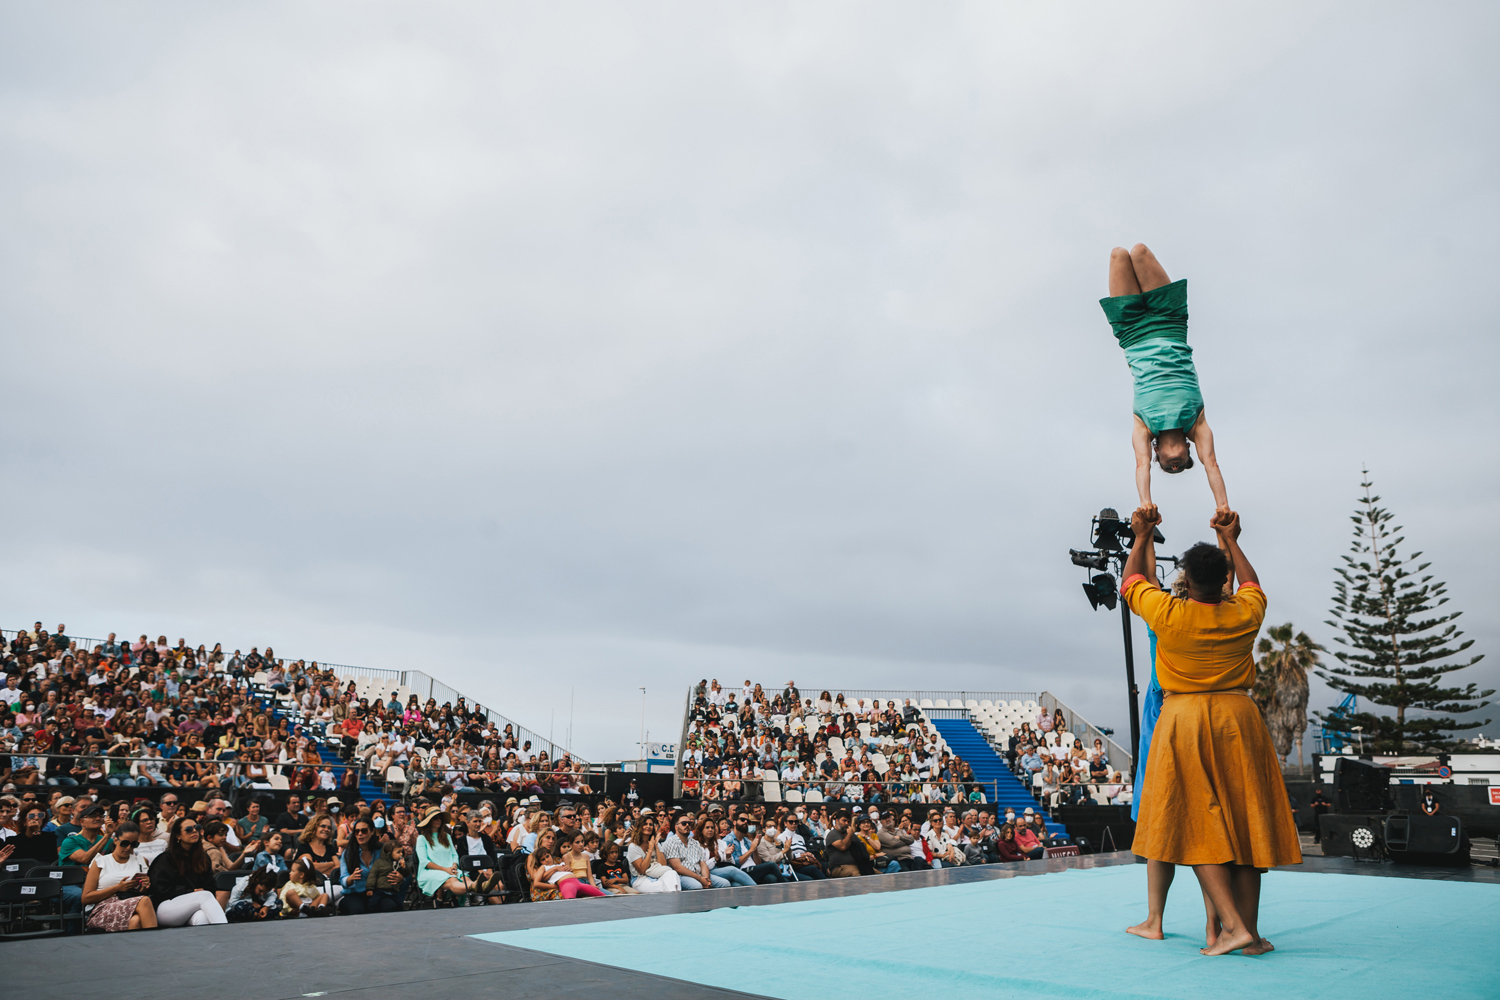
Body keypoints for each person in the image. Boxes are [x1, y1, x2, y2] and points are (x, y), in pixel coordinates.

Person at [1121, 506, 1299, 956]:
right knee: (1246, 829)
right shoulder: (1246, 612)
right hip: (1239, 720)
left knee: (1198, 828)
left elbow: (1129, 584)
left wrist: (1142, 536)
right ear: (1224, 582)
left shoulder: (1167, 613)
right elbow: (1253, 584)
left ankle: (1233, 927)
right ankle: (1250, 936)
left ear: (1186, 579)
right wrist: (1232, 539)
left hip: (1184, 722)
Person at [1100, 244, 1227, 511]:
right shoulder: (1197, 424)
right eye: (1181, 466)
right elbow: (1212, 465)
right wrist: (1222, 507)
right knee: (1140, 252)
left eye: (1169, 469)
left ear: (1156, 453)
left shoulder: (1144, 428)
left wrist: (1146, 503)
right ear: (1190, 450)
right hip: (1170, 322)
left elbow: (1140, 465)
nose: (1175, 466)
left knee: (1118, 255)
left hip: (1131, 331)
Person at [148, 815, 228, 926]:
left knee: (202, 917)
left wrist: (197, 892)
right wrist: (191, 891)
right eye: (189, 830)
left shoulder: (203, 858)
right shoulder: (166, 858)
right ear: (178, 836)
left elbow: (210, 885)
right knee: (205, 895)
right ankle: (225, 932)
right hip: (165, 907)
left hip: (193, 905)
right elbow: (161, 890)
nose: (194, 831)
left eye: (197, 827)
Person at [81, 820, 158, 932]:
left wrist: (144, 886)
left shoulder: (141, 861)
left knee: (135, 921)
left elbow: (141, 893)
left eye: (134, 844)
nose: (128, 848)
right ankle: (156, 944)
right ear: (116, 840)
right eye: (125, 843)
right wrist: (117, 888)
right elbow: (85, 898)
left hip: (131, 903)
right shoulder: (100, 861)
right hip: (103, 909)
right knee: (145, 901)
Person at [414, 806, 468, 904]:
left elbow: (454, 855)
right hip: (430, 872)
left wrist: (454, 866)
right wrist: (446, 869)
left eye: (440, 817)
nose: (438, 820)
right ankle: (476, 887)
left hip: (450, 870)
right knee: (453, 880)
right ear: (429, 820)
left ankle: (477, 886)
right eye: (435, 818)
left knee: (465, 878)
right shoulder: (422, 839)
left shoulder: (447, 836)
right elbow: (424, 862)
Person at [625, 817, 680, 893]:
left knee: (672, 874)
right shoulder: (633, 846)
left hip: (657, 875)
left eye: (650, 824)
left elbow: (663, 865)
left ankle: (672, 901)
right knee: (665, 886)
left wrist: (656, 846)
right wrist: (650, 850)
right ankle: (674, 901)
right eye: (645, 824)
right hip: (640, 879)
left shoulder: (655, 843)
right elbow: (642, 870)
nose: (648, 826)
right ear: (639, 827)